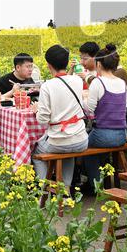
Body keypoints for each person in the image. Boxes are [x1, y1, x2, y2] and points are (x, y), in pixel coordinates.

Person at [31, 45, 89, 190]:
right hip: (81, 141)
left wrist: (36, 110)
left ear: (49, 65)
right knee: (68, 152)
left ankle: (43, 189)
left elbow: (42, 119)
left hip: (58, 143)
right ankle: (65, 189)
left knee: (36, 151)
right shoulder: (77, 81)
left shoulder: (47, 86)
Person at [81, 44, 127, 189]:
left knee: (83, 148)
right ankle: (104, 181)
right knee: (96, 147)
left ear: (99, 64)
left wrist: (81, 100)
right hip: (121, 135)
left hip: (102, 135)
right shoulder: (121, 83)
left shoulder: (98, 82)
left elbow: (89, 111)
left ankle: (95, 186)